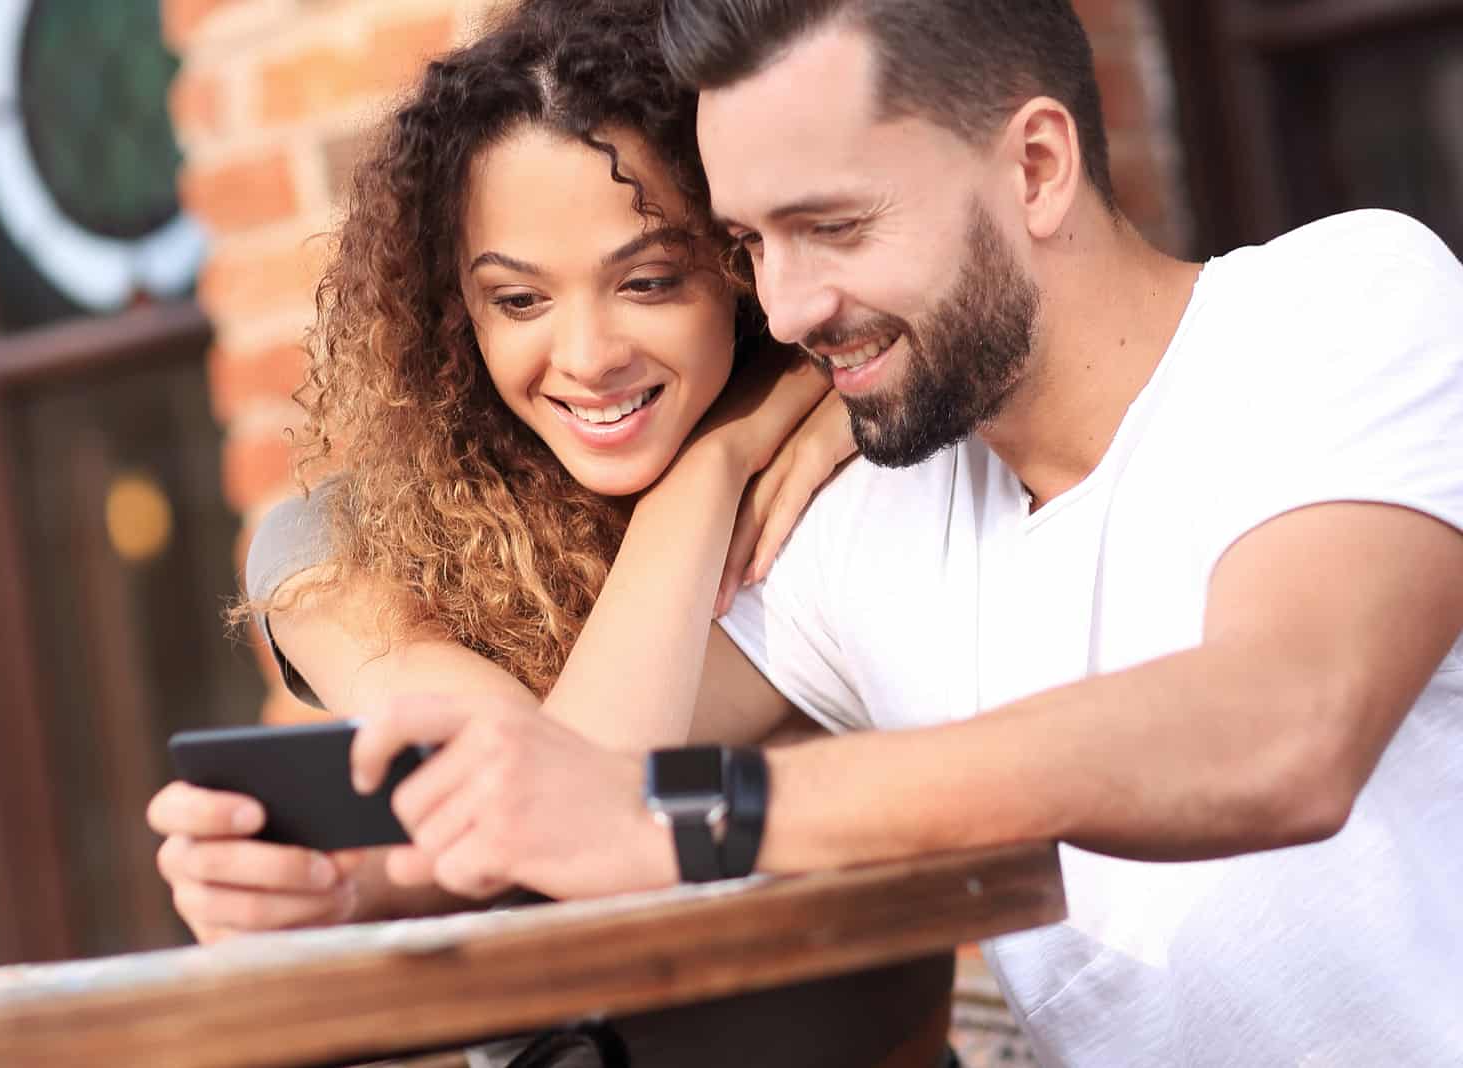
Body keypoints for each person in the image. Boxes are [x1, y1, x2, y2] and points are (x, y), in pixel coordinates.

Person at [339, 1, 1463, 1065]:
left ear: (1034, 168)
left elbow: (1282, 732)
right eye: (750, 245)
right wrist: (717, 461)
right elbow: (578, 805)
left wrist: (715, 819)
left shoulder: (1341, 306)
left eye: (832, 227)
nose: (783, 310)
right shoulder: (866, 518)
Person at [147, 2, 952, 1065]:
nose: (587, 355)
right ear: (454, 315)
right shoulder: (335, 553)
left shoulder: (832, 489)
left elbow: (560, 807)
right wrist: (708, 474)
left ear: (738, 266)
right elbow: (544, 802)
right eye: (519, 299)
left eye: (649, 281)